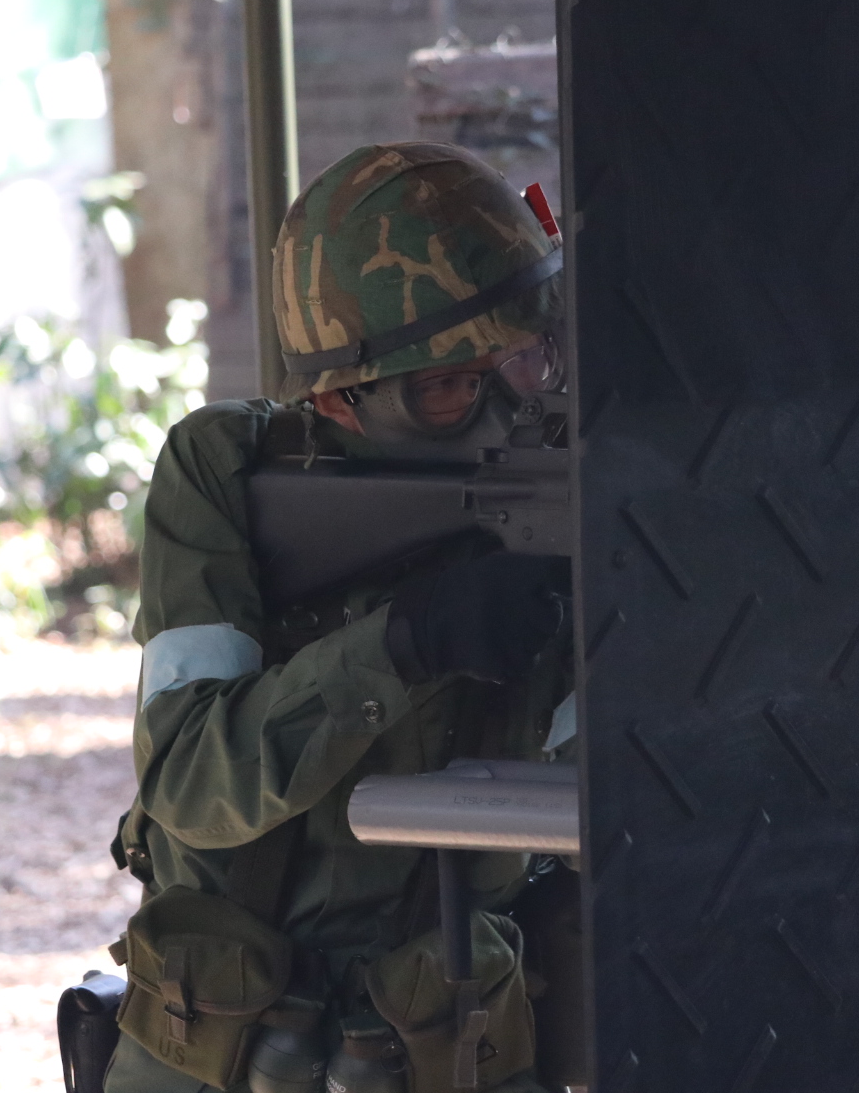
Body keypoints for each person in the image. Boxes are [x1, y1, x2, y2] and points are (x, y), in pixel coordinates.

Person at [103, 143, 573, 1093]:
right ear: (336, 398)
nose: (505, 410)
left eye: (523, 361)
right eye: (449, 385)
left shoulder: (571, 473)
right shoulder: (227, 472)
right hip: (225, 1037)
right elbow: (191, 780)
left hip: (451, 1026)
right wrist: (404, 643)